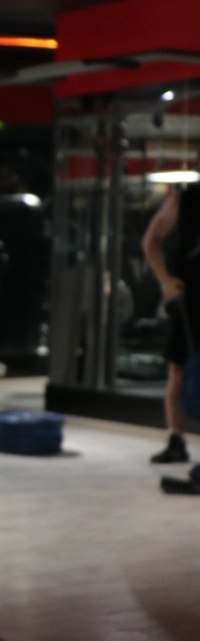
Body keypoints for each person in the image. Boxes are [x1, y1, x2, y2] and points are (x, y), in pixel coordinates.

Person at [144, 183, 200, 463]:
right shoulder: (186, 199)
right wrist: (165, 279)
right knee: (178, 373)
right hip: (189, 300)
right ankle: (176, 442)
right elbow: (150, 241)